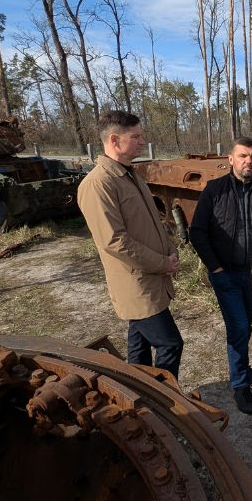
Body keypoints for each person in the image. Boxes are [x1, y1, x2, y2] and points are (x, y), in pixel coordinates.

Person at [77, 110, 183, 378]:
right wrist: (162, 263)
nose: (142, 141)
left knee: (139, 344)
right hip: (136, 282)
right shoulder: (98, 184)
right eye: (135, 137)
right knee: (170, 343)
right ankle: (163, 400)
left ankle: (139, 397)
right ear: (114, 140)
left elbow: (153, 221)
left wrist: (170, 249)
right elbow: (114, 241)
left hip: (151, 276)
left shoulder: (130, 175)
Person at [190, 137, 252, 415]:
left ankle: (244, 369)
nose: (248, 161)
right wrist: (215, 267)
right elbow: (197, 232)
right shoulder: (215, 190)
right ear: (230, 159)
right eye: (242, 156)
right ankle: (239, 383)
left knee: (248, 323)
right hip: (225, 274)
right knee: (238, 326)